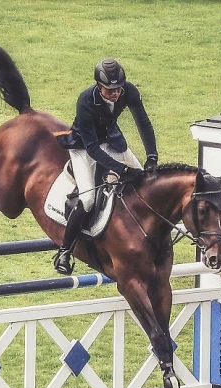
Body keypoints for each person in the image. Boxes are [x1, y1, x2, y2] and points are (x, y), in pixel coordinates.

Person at [54, 58, 158, 275]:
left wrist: (152, 156)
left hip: (111, 140)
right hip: (84, 147)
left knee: (144, 183)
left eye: (119, 88)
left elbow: (143, 122)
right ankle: (64, 251)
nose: (116, 93)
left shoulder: (128, 91)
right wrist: (120, 169)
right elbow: (92, 148)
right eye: (110, 90)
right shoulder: (85, 100)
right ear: (99, 86)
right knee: (88, 199)